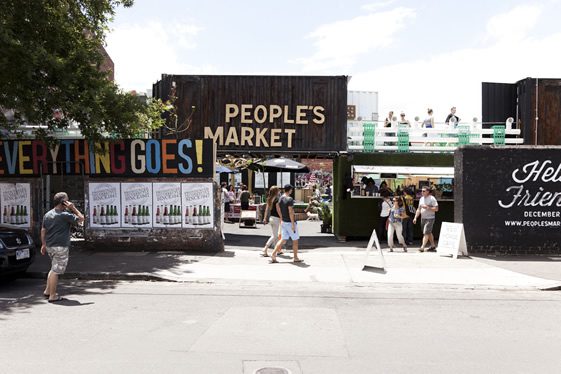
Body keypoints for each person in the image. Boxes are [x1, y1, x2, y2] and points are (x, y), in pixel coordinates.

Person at [41, 192, 84, 303]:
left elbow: (43, 230)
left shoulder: (48, 214)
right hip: (61, 246)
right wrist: (73, 208)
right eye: (67, 201)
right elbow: (81, 218)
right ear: (64, 203)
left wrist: (43, 244)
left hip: (50, 245)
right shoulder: (65, 215)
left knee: (53, 268)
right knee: (56, 271)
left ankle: (47, 291)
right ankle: (52, 295)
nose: (69, 202)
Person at [270, 184, 302, 263]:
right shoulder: (289, 199)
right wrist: (292, 224)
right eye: (291, 189)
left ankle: (273, 254)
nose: (292, 191)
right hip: (289, 222)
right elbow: (290, 212)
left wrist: (282, 217)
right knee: (295, 240)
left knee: (282, 239)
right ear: (290, 190)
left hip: (284, 221)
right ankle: (295, 257)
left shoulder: (280, 198)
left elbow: (279, 208)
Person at [413, 187, 439, 252]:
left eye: (424, 191)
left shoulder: (432, 198)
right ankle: (433, 246)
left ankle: (422, 247)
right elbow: (419, 209)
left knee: (426, 232)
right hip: (423, 218)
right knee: (428, 232)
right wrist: (415, 217)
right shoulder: (421, 199)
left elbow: (436, 209)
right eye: (421, 191)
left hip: (430, 218)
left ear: (428, 191)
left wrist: (427, 207)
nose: (422, 192)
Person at [262, 186, 282, 257]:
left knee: (275, 234)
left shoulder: (269, 199)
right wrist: (281, 217)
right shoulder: (277, 199)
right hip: (276, 218)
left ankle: (278, 250)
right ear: (276, 191)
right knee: (275, 235)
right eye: (278, 190)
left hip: (271, 218)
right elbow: (278, 209)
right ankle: (265, 248)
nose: (279, 191)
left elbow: (267, 210)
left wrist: (264, 218)